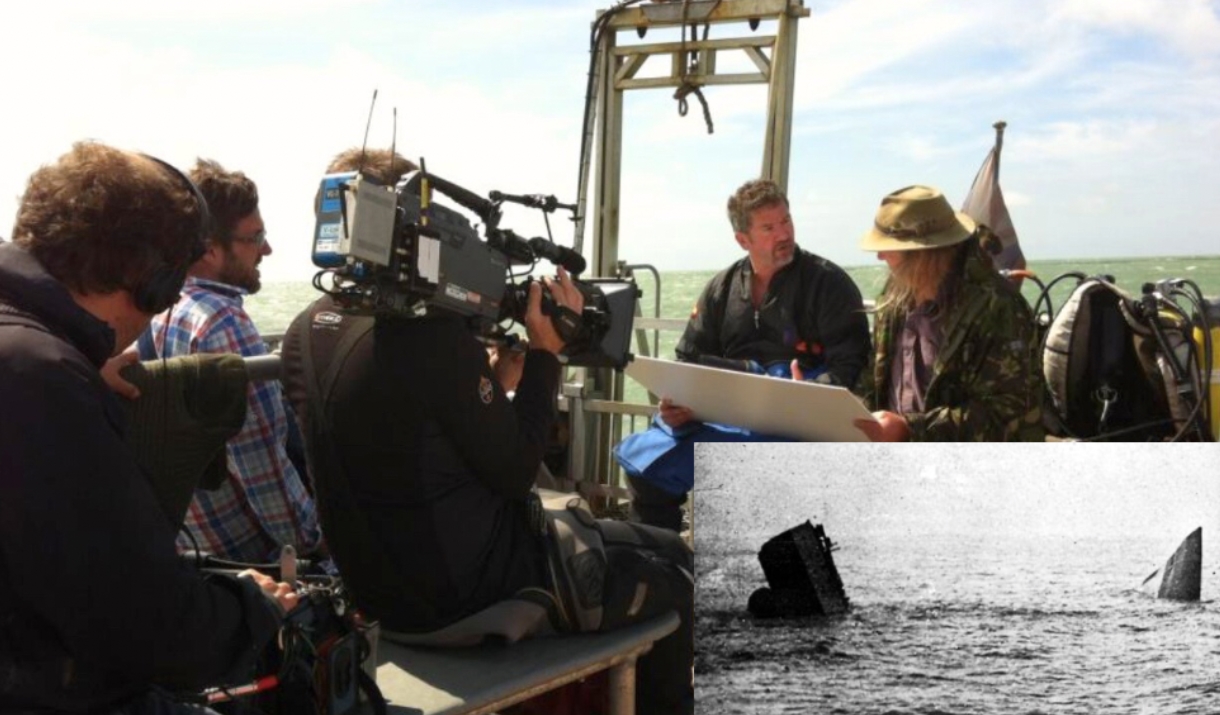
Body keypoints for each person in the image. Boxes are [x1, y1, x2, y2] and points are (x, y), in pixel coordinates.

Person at [280, 148, 694, 715]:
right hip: (467, 599)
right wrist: (546, 352)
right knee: (678, 564)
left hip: (377, 599)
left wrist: (491, 383)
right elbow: (517, 470)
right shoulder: (430, 334)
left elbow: (402, 434)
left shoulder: (304, 332)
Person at [0, 142, 295, 714]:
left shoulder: (32, 359)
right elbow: (151, 628)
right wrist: (255, 608)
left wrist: (81, 364)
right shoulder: (38, 380)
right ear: (152, 280)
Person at [620, 178, 872, 530]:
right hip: (729, 413)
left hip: (798, 418)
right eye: (769, 228)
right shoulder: (721, 289)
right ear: (743, 240)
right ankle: (663, 556)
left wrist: (808, 394)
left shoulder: (828, 284)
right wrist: (676, 402)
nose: (783, 234)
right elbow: (688, 360)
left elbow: (852, 364)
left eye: (786, 221)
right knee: (646, 463)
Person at [144, 159, 323, 564]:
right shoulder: (223, 322)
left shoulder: (163, 308)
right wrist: (318, 542)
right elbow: (262, 468)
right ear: (209, 250)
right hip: (256, 557)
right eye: (255, 237)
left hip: (197, 548)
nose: (267, 249)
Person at [854, 184, 1045, 442]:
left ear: (923, 253)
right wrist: (849, 413)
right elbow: (874, 376)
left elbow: (1005, 414)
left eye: (889, 247)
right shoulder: (894, 297)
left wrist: (910, 430)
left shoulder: (998, 308)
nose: (879, 256)